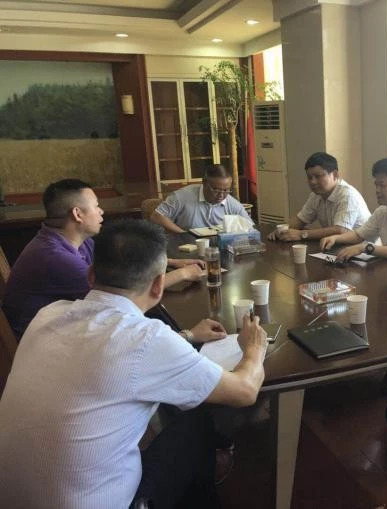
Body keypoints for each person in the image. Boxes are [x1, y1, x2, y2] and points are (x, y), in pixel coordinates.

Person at [0, 219, 268, 508]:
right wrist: (254, 348)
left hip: (11, 496)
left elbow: (113, 352)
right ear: (159, 285)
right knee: (196, 424)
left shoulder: (48, 314)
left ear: (90, 275)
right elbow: (245, 391)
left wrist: (188, 336)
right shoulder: (147, 338)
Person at [2, 179, 204, 338]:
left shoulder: (75, 240)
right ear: (77, 214)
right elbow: (125, 294)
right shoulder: (56, 258)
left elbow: (120, 264)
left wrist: (173, 262)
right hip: (47, 340)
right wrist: (183, 274)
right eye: (96, 206)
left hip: (68, 323)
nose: (101, 211)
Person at [268, 152, 371, 241]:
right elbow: (300, 220)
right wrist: (281, 230)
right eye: (309, 177)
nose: (313, 182)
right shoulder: (316, 195)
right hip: (338, 247)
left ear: (335, 175)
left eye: (318, 176)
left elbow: (340, 230)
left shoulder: (348, 195)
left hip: (365, 251)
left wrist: (302, 234)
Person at [151, 164, 252, 233]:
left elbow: (251, 227)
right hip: (185, 246)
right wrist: (183, 234)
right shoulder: (182, 196)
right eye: (215, 190)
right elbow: (156, 216)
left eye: (226, 190)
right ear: (204, 182)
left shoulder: (231, 203)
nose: (221, 195)